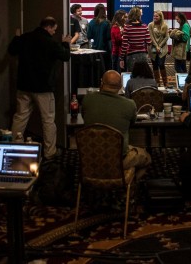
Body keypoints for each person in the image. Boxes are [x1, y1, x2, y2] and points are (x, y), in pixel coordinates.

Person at [8, 16, 71, 160]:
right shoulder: (50, 43)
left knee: (20, 117)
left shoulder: (25, 38)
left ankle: (14, 146)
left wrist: (16, 37)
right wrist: (65, 43)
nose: (54, 33)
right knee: (48, 120)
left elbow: (11, 50)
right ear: (48, 27)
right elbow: (66, 56)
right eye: (54, 30)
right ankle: (50, 152)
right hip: (44, 88)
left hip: (24, 86)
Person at [82, 70, 151, 180]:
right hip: (119, 158)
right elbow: (132, 124)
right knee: (146, 157)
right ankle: (128, 185)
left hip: (90, 157)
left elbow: (84, 116)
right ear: (120, 86)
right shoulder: (129, 105)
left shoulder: (87, 99)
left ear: (101, 83)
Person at [120, 6, 150, 72]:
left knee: (132, 76)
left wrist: (121, 58)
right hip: (143, 55)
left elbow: (124, 45)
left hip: (131, 55)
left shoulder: (127, 27)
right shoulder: (145, 26)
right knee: (143, 76)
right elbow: (149, 42)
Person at [148, 10, 169, 87]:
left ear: (160, 17)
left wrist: (159, 46)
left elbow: (166, 37)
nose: (155, 17)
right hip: (153, 49)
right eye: (154, 16)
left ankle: (165, 82)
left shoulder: (165, 26)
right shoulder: (150, 25)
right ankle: (157, 82)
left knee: (161, 64)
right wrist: (156, 46)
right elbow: (151, 36)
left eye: (156, 16)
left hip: (162, 49)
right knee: (155, 65)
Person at [87, 3, 111, 70]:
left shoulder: (91, 22)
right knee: (106, 69)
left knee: (96, 70)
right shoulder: (107, 23)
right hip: (106, 50)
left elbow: (89, 36)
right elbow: (108, 37)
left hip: (95, 49)